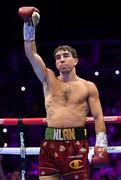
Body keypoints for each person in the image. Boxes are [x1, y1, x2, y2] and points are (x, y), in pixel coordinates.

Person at [18, 6, 109, 180]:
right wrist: (29, 25)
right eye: (58, 58)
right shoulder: (48, 78)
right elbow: (31, 54)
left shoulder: (88, 86)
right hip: (50, 144)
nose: (61, 59)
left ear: (75, 60)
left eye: (66, 56)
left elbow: (98, 116)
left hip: (76, 145)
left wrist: (101, 145)